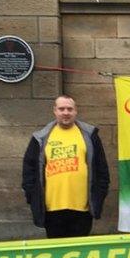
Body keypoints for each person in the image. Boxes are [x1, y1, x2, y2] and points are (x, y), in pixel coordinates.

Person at [22, 95, 110, 238]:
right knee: (56, 253)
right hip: (52, 209)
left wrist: (99, 196)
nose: (66, 112)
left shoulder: (89, 135)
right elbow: (29, 170)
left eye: (70, 109)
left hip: (82, 208)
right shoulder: (41, 138)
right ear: (54, 111)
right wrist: (32, 197)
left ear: (76, 111)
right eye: (61, 109)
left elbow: (102, 170)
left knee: (80, 253)